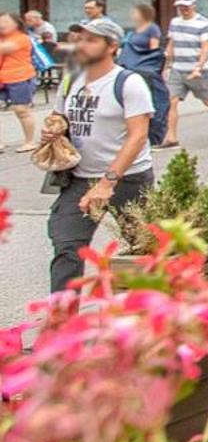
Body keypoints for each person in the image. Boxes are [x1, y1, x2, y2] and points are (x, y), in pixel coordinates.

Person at [49, 17, 154, 292]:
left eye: (91, 39)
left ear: (112, 46)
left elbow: (138, 135)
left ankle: (148, 321)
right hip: (80, 179)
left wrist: (108, 182)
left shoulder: (129, 83)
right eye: (80, 38)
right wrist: (54, 131)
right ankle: (62, 325)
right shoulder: (71, 78)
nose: (82, 44)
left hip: (128, 180)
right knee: (67, 248)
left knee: (142, 249)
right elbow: (58, 117)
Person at [163, 0, 208, 146]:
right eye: (180, 6)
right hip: (178, 68)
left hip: (199, 71)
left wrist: (198, 68)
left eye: (186, 6)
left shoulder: (203, 23)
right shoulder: (174, 22)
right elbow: (171, 43)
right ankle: (171, 138)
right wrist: (167, 65)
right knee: (172, 101)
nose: (183, 9)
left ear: (193, 5)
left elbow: (206, 48)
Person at [118, 2, 170, 152]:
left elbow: (154, 50)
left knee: (152, 101)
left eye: (135, 12)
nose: (132, 15)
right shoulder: (134, 30)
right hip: (131, 67)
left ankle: (154, 137)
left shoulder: (152, 28)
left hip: (145, 69)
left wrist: (158, 67)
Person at [0, 11, 39, 151]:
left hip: (20, 77)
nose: (2, 25)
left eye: (6, 22)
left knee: (21, 110)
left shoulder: (22, 38)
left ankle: (29, 141)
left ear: (16, 24)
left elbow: (6, 48)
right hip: (2, 78)